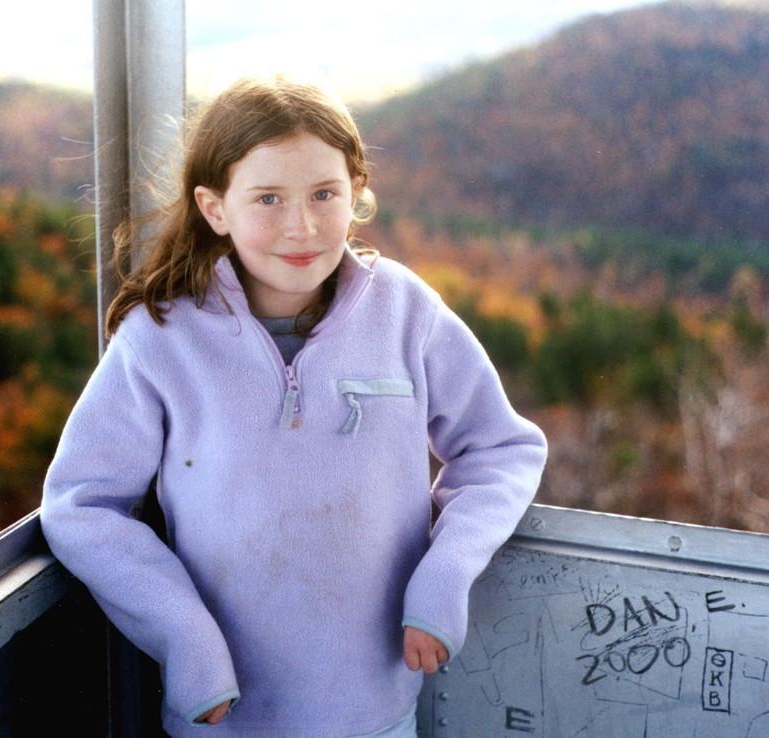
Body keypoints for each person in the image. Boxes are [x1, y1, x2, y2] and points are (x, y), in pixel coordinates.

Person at [40, 77, 547, 737]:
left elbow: (501, 448)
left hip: (373, 716)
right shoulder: (162, 339)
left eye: (325, 194)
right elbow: (83, 505)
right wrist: (182, 636)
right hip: (220, 716)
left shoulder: (405, 313)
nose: (301, 226)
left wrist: (445, 571)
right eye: (268, 198)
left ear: (357, 191)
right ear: (215, 207)